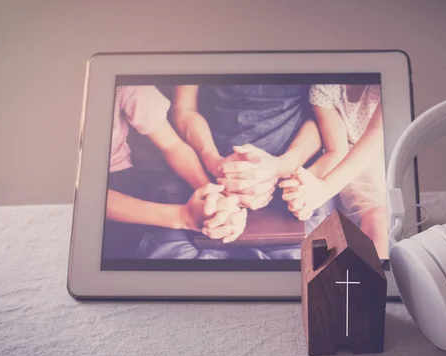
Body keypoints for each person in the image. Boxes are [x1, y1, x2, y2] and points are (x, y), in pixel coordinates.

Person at [136, 84, 334, 260]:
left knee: (309, 269)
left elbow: (324, 116)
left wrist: (281, 166)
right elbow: (184, 108)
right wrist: (213, 162)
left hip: (294, 176)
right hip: (203, 169)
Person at [103, 85, 246, 259]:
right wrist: (182, 216)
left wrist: (212, 196)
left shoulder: (126, 87)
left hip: (124, 174)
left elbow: (172, 145)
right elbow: (85, 197)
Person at [280, 84, 389, 257]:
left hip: (377, 152)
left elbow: (375, 138)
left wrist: (322, 189)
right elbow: (338, 149)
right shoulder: (325, 89)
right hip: (343, 155)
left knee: (378, 220)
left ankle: (378, 279)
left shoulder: (384, 85)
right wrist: (302, 185)